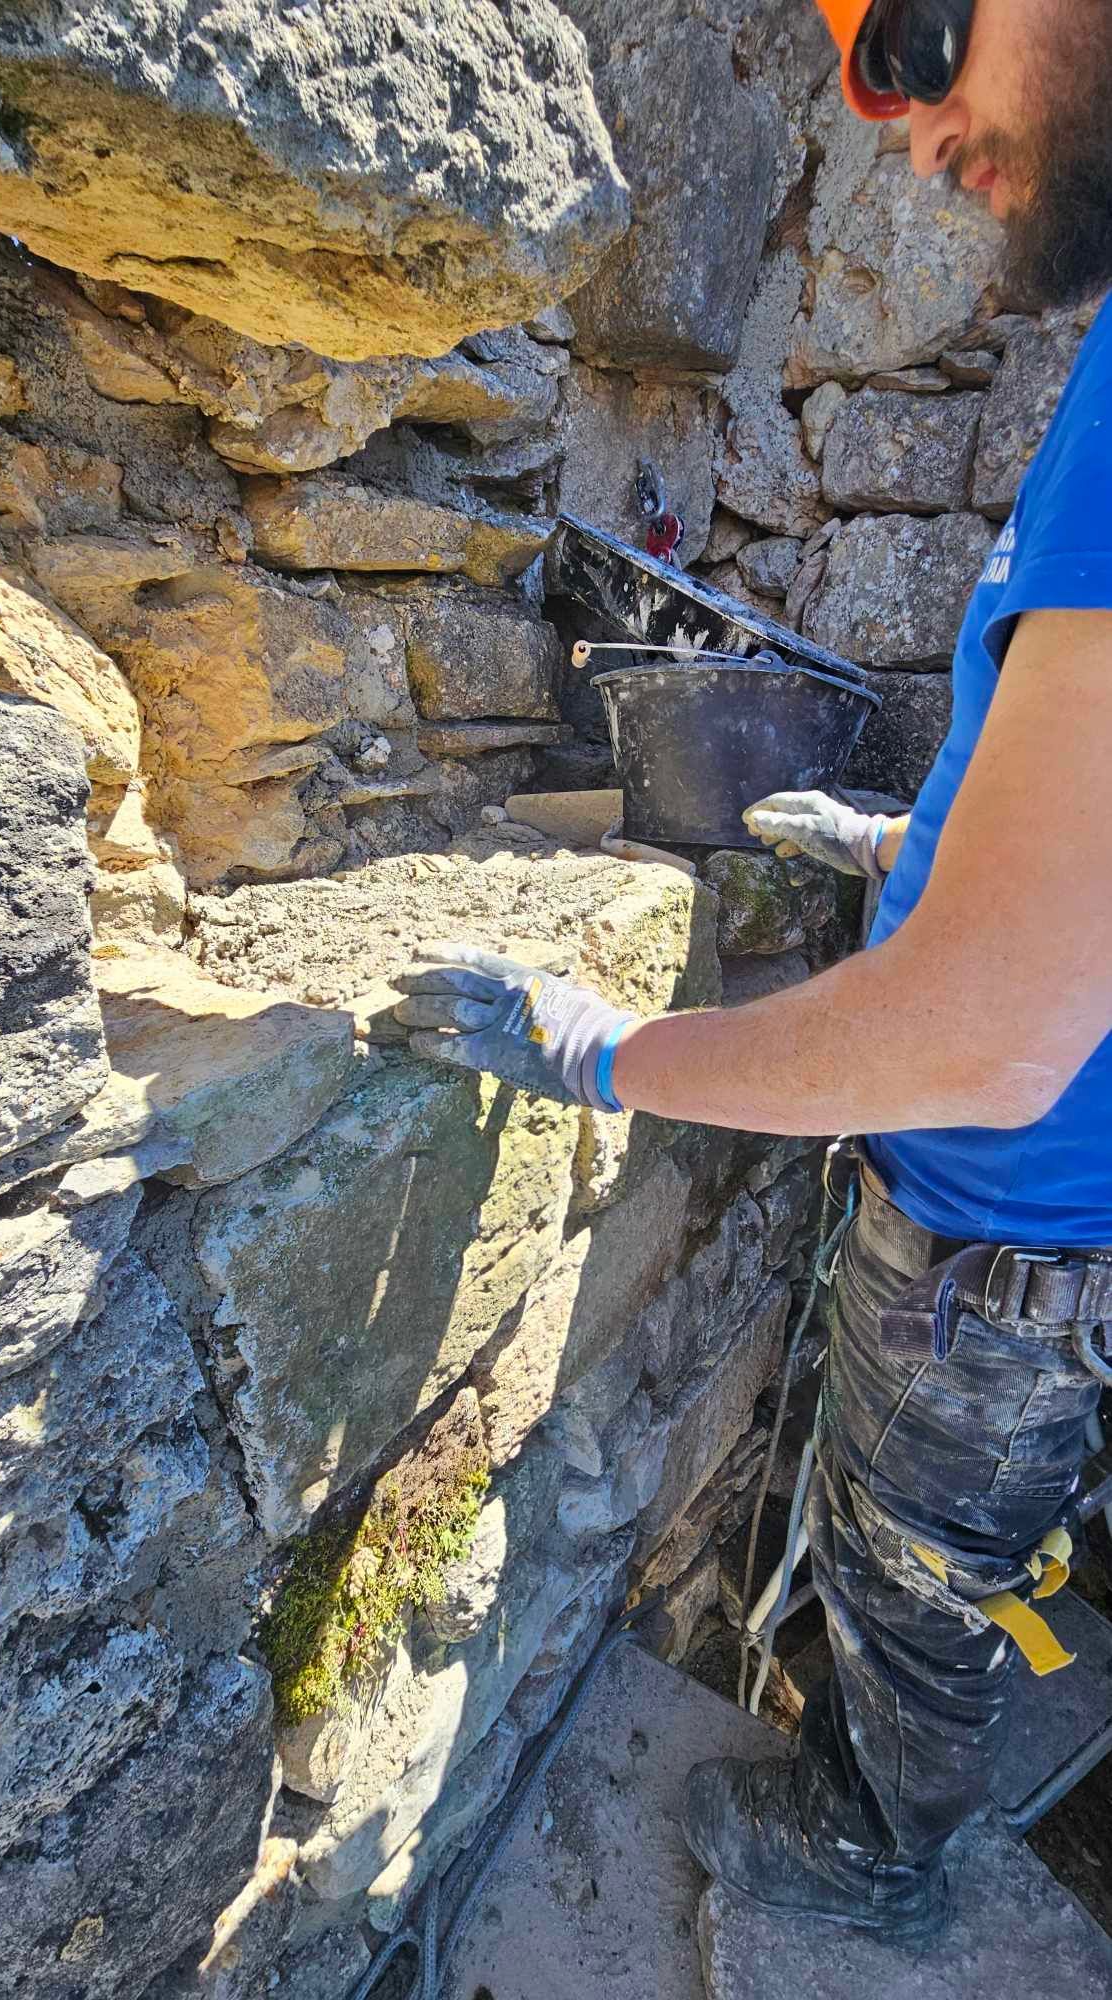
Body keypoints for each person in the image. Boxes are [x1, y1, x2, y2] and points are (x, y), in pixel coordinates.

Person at [392, 0, 1112, 1945]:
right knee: (913, 1535)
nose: (894, 127)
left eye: (912, 42)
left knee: (910, 1558)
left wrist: (601, 1046)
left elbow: (984, 1037)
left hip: (1001, 1240)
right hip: (1014, 1221)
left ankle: (874, 1862)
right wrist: (919, 856)